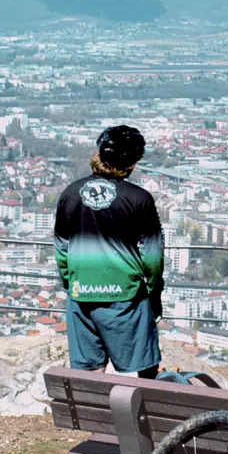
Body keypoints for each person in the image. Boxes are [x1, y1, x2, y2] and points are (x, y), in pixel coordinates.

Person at [54, 125, 166, 378]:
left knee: (88, 374)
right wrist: (154, 289)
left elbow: (61, 247)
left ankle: (92, 416)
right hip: (125, 297)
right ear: (133, 161)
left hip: (81, 295)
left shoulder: (70, 194)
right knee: (142, 371)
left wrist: (71, 282)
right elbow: (152, 255)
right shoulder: (139, 198)